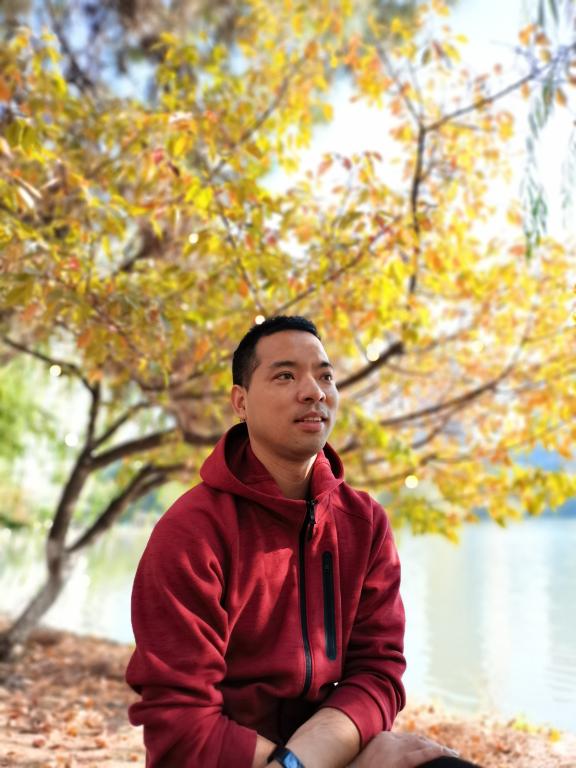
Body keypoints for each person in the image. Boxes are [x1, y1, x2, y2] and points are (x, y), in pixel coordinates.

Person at [126, 315, 481, 768]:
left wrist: (312, 754)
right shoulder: (192, 532)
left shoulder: (364, 523)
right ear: (240, 402)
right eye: (285, 376)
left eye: (325, 376)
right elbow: (180, 725)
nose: (314, 391)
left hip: (329, 751)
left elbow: (378, 671)